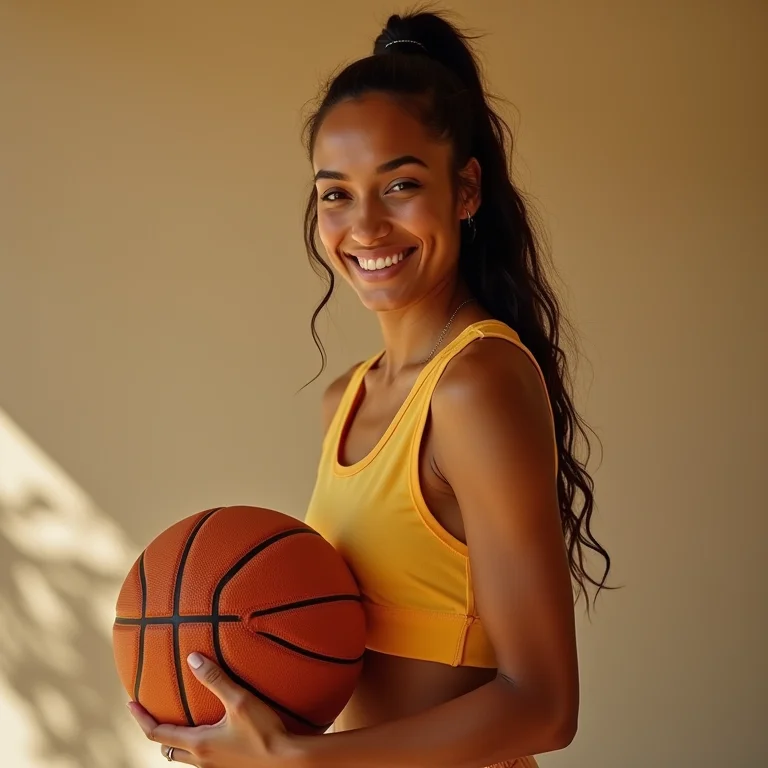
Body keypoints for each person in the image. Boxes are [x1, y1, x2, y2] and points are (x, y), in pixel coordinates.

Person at [127, 9, 611, 767]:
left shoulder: (474, 385)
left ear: (467, 190)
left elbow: (544, 707)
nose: (366, 227)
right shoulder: (346, 399)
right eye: (336, 194)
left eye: (402, 184)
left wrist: (297, 761)